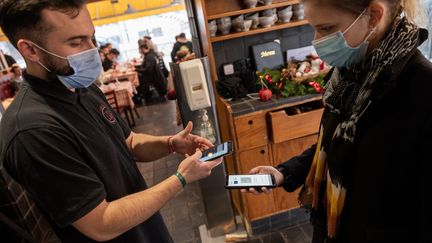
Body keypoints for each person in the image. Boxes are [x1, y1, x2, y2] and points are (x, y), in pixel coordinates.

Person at [0, 1, 222, 243]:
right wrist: (181, 178)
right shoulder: (33, 131)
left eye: (92, 38)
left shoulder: (81, 87)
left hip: (146, 230)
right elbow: (100, 223)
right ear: (30, 50)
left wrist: (170, 143)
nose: (92, 49)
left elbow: (128, 141)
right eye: (76, 42)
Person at [243, 0, 432, 242]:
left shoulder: (423, 91)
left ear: (374, 15)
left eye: (326, 28)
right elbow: (335, 145)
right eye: (314, 28)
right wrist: (284, 172)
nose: (316, 41)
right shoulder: (348, 74)